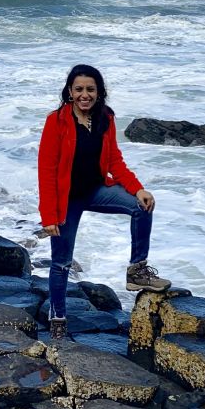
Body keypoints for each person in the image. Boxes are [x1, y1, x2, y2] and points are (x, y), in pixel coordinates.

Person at [37, 63, 170, 341]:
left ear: (99, 92)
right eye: (79, 89)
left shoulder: (105, 118)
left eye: (90, 89)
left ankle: (137, 271)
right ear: (70, 92)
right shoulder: (56, 121)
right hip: (66, 200)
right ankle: (58, 317)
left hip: (96, 190)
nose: (85, 94)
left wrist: (137, 189)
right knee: (61, 263)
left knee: (140, 206)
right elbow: (46, 169)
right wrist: (48, 215)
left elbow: (114, 161)